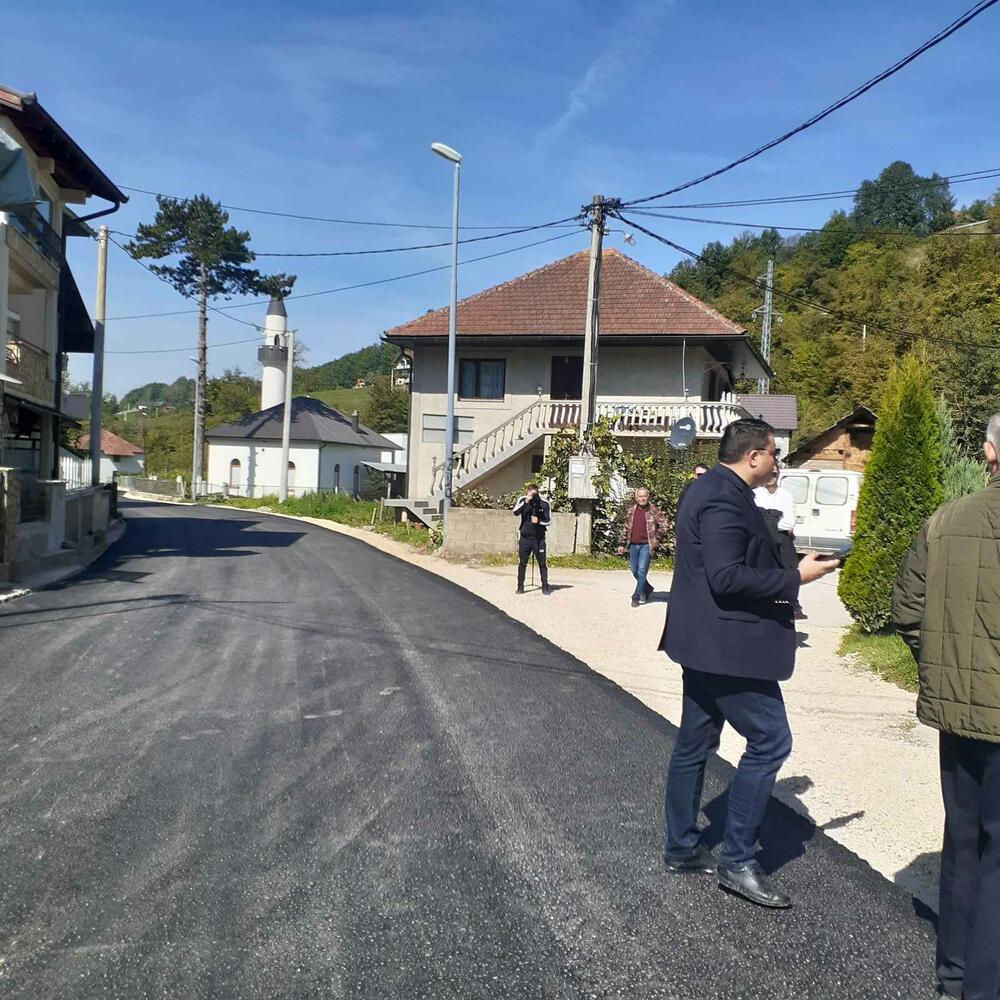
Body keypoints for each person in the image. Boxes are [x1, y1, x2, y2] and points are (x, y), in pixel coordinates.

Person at [659, 418, 837, 908]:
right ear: (753, 456)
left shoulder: (712, 489)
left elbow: (731, 561)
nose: (778, 461)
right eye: (774, 453)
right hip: (727, 650)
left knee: (695, 743)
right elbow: (726, 577)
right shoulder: (721, 497)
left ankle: (681, 848)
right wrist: (796, 578)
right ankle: (737, 861)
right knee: (771, 740)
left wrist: (787, 562)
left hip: (704, 643)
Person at [892, 415, 999, 1000]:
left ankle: (954, 974)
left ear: (989, 452)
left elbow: (907, 609)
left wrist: (942, 667)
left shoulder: (943, 520)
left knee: (961, 838)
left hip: (959, 714)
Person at [753, 468, 806, 620]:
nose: (772, 477)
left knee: (788, 572)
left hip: (782, 540)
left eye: (775, 474)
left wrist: (768, 520)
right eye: (769, 473)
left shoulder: (786, 495)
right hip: (763, 540)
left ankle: (792, 606)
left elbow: (789, 522)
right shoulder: (756, 494)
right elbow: (755, 520)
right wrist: (774, 519)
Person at [616, 486, 670, 607]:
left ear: (648, 497)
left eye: (644, 496)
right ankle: (647, 588)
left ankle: (637, 595)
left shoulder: (653, 510)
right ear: (636, 498)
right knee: (634, 570)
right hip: (633, 544)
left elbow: (665, 525)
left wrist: (656, 538)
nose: (642, 499)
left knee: (641, 571)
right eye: (640, 496)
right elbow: (626, 528)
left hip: (646, 545)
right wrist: (621, 543)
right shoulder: (631, 511)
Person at [513, 483, 551, 596]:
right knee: (522, 563)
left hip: (539, 539)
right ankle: (520, 586)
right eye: (531, 493)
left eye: (535, 493)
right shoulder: (522, 500)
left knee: (542, 563)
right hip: (525, 538)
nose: (533, 495)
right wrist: (526, 501)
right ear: (527, 492)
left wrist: (539, 521)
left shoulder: (544, 503)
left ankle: (545, 586)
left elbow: (549, 521)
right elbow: (515, 512)